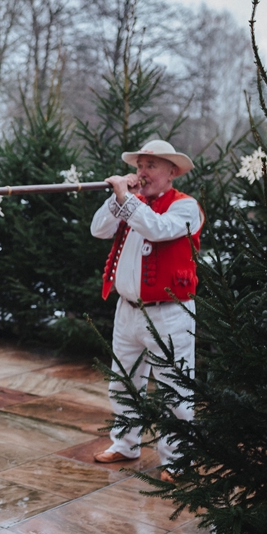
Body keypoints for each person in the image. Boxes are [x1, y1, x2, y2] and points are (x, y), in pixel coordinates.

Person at [89, 139, 203, 483]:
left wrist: (126, 199)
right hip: (127, 310)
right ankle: (125, 444)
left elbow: (156, 228)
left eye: (151, 165)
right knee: (123, 382)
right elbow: (98, 229)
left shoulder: (186, 207)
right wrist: (117, 198)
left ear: (172, 172)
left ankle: (178, 459)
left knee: (174, 388)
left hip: (170, 313)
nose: (142, 172)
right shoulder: (132, 202)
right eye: (140, 165)